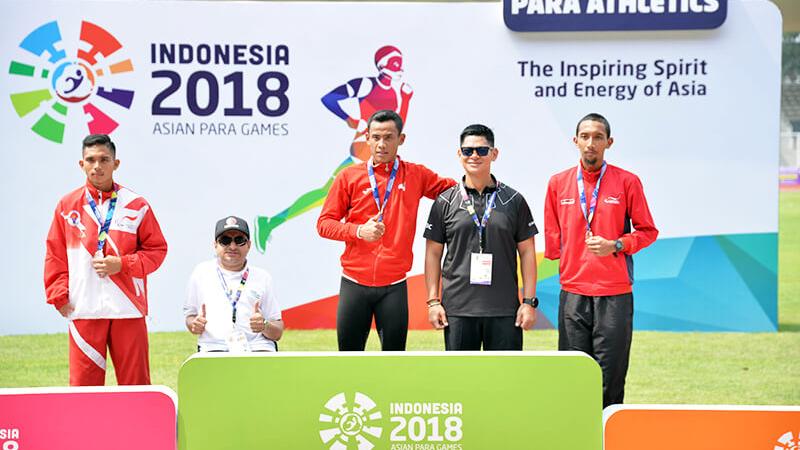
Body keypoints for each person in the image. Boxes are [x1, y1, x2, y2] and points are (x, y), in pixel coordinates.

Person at [544, 113, 658, 408]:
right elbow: (553, 235)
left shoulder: (627, 182)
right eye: (585, 137)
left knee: (611, 375)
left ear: (609, 142)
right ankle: (573, 435)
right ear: (575, 141)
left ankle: (608, 434)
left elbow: (648, 232)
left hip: (615, 294)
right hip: (573, 293)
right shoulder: (558, 183)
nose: (590, 143)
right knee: (571, 374)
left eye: (597, 137)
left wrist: (617, 244)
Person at [317, 109, 455, 351]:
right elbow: (324, 224)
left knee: (394, 361)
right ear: (367, 138)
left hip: (394, 285)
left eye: (389, 137)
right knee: (348, 359)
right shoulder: (348, 177)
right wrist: (359, 231)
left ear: (401, 139)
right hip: (354, 282)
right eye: (376, 137)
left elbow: (455, 191)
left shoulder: (416, 174)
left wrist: (487, 186)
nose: (382, 144)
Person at [254, 46, 413, 250]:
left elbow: (398, 124)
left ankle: (270, 222)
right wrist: (351, 119)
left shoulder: (395, 91)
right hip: (363, 152)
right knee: (324, 195)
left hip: (376, 158)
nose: (399, 66)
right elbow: (330, 98)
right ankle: (270, 222)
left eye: (400, 62)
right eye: (395, 62)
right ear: (383, 64)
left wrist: (406, 100)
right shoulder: (366, 84)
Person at [44, 134, 167, 386]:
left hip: (128, 309)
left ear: (116, 163)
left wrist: (122, 264)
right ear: (82, 164)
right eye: (90, 160)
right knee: (84, 389)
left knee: (136, 386)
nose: (97, 166)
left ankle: (136, 427)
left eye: (104, 159)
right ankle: (85, 428)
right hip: (84, 308)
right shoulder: (67, 207)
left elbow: (157, 250)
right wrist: (58, 295)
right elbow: (55, 254)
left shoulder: (136, 204)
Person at [423, 124, 538, 350]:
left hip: (505, 310)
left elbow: (527, 252)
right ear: (459, 154)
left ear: (494, 154)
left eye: (482, 150)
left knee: (505, 381)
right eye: (467, 151)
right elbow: (433, 254)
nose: (474, 156)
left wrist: (528, 302)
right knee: (461, 381)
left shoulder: (514, 200)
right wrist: (433, 302)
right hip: (457, 311)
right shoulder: (445, 201)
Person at [184, 216, 283, 352]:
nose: (232, 246)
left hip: (257, 348)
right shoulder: (201, 273)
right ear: (215, 245)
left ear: (249, 245)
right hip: (214, 347)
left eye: (239, 240)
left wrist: (264, 325)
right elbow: (190, 317)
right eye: (225, 240)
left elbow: (277, 332)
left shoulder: (263, 277)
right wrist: (194, 325)